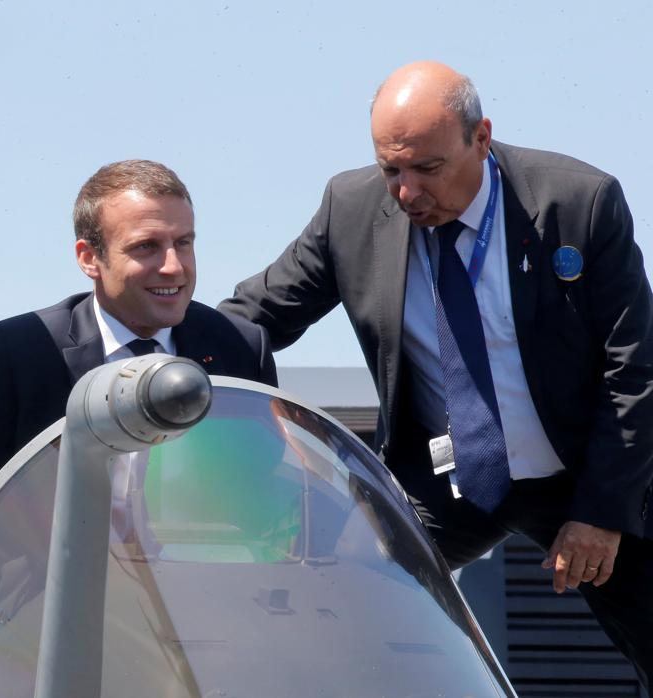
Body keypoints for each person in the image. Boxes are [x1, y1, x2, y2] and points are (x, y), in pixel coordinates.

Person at [220, 61, 653, 684]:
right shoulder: (351, 209)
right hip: (444, 488)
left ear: (481, 140)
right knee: (333, 609)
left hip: (589, 475)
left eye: (427, 169)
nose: (406, 193)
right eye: (390, 168)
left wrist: (603, 512)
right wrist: (153, 357)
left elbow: (633, 369)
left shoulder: (579, 202)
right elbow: (254, 320)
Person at [0, 159, 277, 561]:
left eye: (183, 242)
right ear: (88, 258)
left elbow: (262, 504)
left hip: (199, 603)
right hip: (46, 612)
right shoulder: (18, 353)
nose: (173, 266)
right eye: (147, 247)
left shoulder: (240, 348)